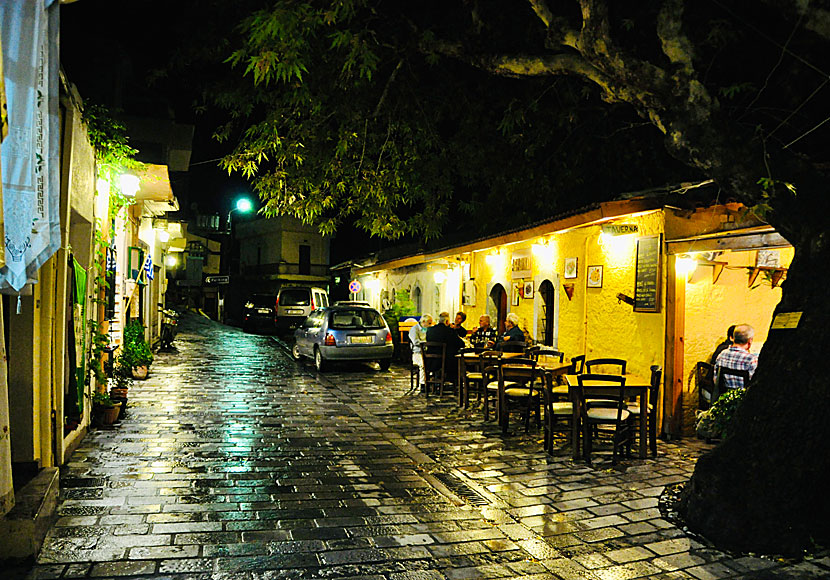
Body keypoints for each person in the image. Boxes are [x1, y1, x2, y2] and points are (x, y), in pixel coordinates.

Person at [714, 324, 758, 390]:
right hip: (745, 398)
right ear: (750, 340)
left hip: (725, 397)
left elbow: (715, 380)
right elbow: (755, 385)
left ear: (733, 338)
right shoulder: (751, 359)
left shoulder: (722, 354)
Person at [425, 311, 465, 384]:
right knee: (456, 359)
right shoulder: (449, 331)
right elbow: (461, 344)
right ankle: (455, 382)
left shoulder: (430, 330)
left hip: (430, 361)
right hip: (444, 363)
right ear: (447, 321)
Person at [409, 314, 433, 390]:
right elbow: (416, 342)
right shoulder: (414, 329)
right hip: (417, 352)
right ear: (423, 322)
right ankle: (423, 384)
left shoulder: (426, 329)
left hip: (427, 352)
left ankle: (431, 382)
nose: (430, 325)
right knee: (423, 364)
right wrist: (426, 343)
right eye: (429, 323)